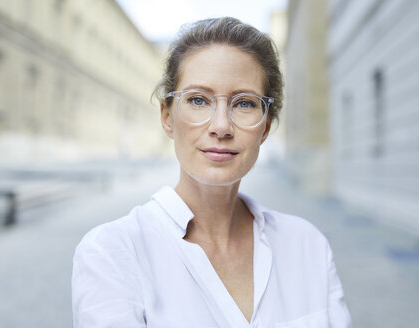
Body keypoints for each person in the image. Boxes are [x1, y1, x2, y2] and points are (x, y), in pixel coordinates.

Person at [72, 17, 352, 328]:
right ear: (167, 117)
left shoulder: (307, 245)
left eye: (244, 103)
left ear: (266, 126)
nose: (221, 126)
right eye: (198, 100)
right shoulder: (112, 253)